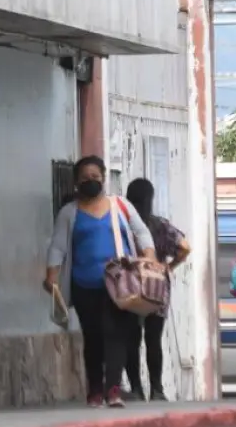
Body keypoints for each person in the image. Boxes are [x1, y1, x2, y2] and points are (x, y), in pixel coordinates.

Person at [45, 157, 157, 409]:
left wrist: (148, 256)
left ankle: (114, 389)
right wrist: (51, 274)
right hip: (84, 285)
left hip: (120, 285)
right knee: (93, 337)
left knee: (117, 335)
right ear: (76, 182)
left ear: (103, 178)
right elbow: (58, 246)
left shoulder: (120, 206)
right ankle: (95, 390)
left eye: (95, 177)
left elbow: (141, 232)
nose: (90, 182)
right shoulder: (69, 213)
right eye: (85, 178)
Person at [122, 178, 190, 402]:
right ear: (151, 199)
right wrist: (168, 267)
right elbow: (184, 247)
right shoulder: (160, 225)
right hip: (156, 289)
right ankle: (157, 389)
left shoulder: (124, 224)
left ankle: (135, 389)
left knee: (131, 339)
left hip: (129, 289)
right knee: (154, 340)